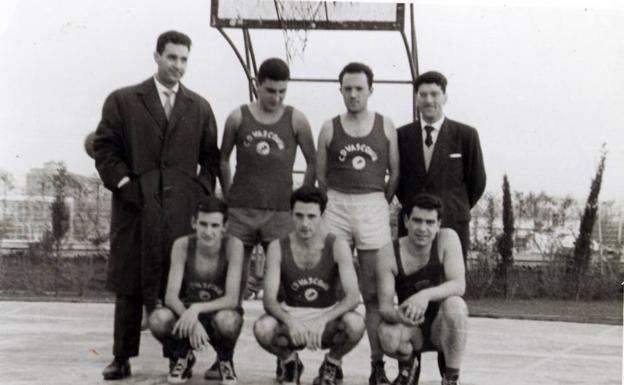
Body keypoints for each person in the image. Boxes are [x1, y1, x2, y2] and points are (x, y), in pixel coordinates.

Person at [94, 30, 220, 380]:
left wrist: (198, 192)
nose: (178, 65)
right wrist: (125, 185)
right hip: (135, 210)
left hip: (180, 213)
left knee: (176, 285)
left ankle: (178, 356)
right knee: (129, 285)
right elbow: (104, 149)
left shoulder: (199, 106)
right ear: (157, 56)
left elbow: (211, 158)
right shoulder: (123, 100)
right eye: (171, 57)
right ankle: (121, 357)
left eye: (183, 59)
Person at [316, 62, 399, 385]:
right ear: (341, 90)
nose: (353, 94)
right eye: (347, 89)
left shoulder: (385, 125)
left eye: (359, 88)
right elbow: (321, 176)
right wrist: (335, 201)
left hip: (372, 204)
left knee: (374, 292)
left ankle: (377, 365)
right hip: (337, 203)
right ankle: (334, 362)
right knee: (335, 286)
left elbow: (395, 175)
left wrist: (378, 202)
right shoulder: (329, 126)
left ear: (370, 90)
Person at [219, 57, 316, 300]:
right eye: (271, 91)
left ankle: (284, 334)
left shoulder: (296, 119)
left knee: (285, 282)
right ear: (257, 85)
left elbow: (313, 161)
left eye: (282, 92)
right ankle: (225, 333)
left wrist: (301, 199)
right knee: (233, 281)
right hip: (242, 211)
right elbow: (223, 159)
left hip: (280, 212)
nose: (276, 98)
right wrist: (229, 195)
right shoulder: (237, 117)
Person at [253, 186, 365, 385]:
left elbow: (353, 297)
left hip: (327, 317)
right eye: (299, 216)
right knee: (262, 328)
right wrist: (290, 321)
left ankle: (332, 363)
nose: (305, 223)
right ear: (291, 215)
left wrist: (323, 319)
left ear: (322, 215)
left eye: (312, 216)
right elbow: (269, 301)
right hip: (292, 316)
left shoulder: (337, 245)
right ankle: (289, 362)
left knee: (355, 325)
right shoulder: (277, 247)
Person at [148, 198, 244, 384]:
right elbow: (170, 297)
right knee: (158, 318)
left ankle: (225, 359)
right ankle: (182, 357)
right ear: (194, 223)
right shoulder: (182, 245)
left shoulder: (233, 246)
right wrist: (191, 318)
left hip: (217, 314)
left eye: (215, 225)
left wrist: (196, 309)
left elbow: (232, 299)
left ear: (225, 227)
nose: (208, 232)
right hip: (187, 316)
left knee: (229, 320)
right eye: (203, 224)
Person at [377, 194, 468, 385]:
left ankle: (451, 378)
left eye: (429, 222)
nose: (423, 228)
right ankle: (409, 365)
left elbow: (459, 285)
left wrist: (424, 295)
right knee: (387, 334)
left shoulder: (447, 238)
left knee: (456, 306)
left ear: (438, 224)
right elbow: (384, 307)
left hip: (439, 326)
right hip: (411, 327)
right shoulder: (388, 252)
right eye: (417, 220)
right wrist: (399, 316)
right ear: (406, 221)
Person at [396, 71, 486, 262]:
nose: (429, 100)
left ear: (445, 97)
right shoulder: (402, 136)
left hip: (452, 223)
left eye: (434, 94)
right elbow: (399, 181)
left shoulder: (466, 135)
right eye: (423, 95)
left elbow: (477, 181)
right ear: (416, 99)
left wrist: (453, 205)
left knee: (450, 281)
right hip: (414, 225)